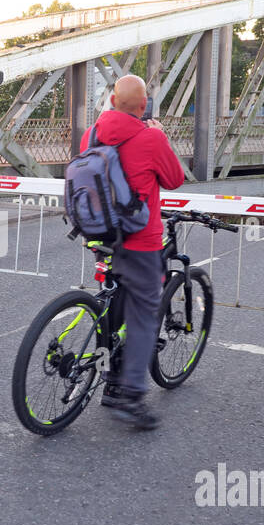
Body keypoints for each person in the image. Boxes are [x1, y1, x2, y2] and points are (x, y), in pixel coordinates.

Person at [85, 74, 185, 429]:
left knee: (114, 293)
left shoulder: (93, 132)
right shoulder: (150, 136)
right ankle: (129, 394)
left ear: (112, 100)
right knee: (145, 312)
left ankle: (111, 374)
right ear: (144, 107)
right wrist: (161, 136)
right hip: (140, 240)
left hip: (99, 234)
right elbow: (174, 180)